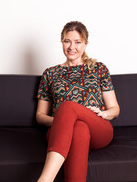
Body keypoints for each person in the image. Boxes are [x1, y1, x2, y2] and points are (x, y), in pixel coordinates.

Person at [36, 21, 120, 182]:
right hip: (62, 131)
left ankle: (45, 179)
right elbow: (40, 116)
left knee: (68, 107)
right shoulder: (50, 73)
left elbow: (115, 109)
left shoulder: (99, 69)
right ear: (62, 42)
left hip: (98, 128)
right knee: (78, 128)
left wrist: (103, 113)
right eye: (67, 41)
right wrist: (63, 121)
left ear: (85, 44)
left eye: (77, 42)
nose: (71, 47)